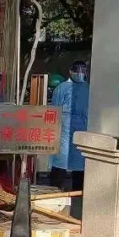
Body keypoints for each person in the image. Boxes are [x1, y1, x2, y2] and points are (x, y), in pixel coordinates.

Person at [49, 61, 91, 206]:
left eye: (82, 71)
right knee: (61, 163)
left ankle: (77, 201)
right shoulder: (62, 88)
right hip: (65, 131)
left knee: (79, 167)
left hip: (81, 132)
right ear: (70, 72)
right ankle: (54, 197)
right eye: (77, 71)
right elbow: (54, 111)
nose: (80, 73)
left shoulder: (88, 89)